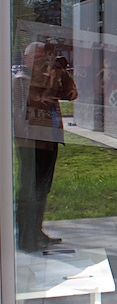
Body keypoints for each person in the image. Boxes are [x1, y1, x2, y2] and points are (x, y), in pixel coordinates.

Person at [13, 41, 78, 252]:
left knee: (42, 188)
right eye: (40, 59)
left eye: (46, 58)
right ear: (27, 59)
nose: (44, 63)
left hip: (49, 139)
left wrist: (63, 74)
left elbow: (71, 95)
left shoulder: (48, 77)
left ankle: (36, 231)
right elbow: (38, 100)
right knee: (29, 188)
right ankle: (26, 237)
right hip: (30, 141)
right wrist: (50, 79)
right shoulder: (21, 80)